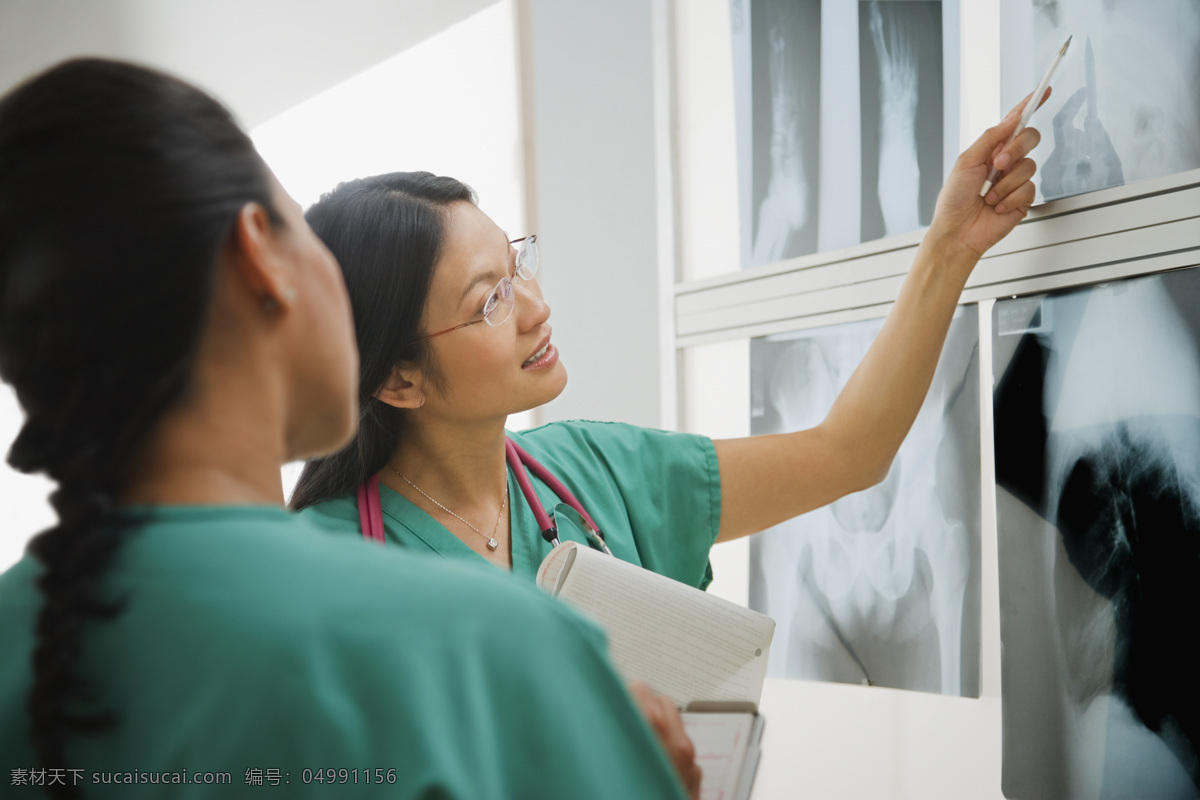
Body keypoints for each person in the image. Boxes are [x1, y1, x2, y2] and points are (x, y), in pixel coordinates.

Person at [0, 58, 696, 799]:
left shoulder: (26, 643)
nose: (530, 306)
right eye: (306, 232)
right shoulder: (491, 654)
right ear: (261, 257)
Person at [291, 98, 1042, 589]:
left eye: (517, 267)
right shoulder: (320, 567)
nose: (536, 308)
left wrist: (950, 247)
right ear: (398, 380)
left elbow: (849, 452)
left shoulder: (599, 475)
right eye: (489, 300)